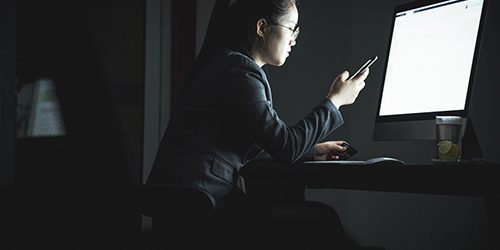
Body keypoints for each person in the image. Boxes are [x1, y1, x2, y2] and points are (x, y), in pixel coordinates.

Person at [147, 0, 369, 248]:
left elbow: (255, 148)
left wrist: (313, 150)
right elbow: (286, 146)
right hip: (199, 208)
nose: (294, 39)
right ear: (262, 27)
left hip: (183, 204)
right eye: (291, 28)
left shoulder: (227, 65)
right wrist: (335, 100)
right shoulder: (240, 71)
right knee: (320, 219)